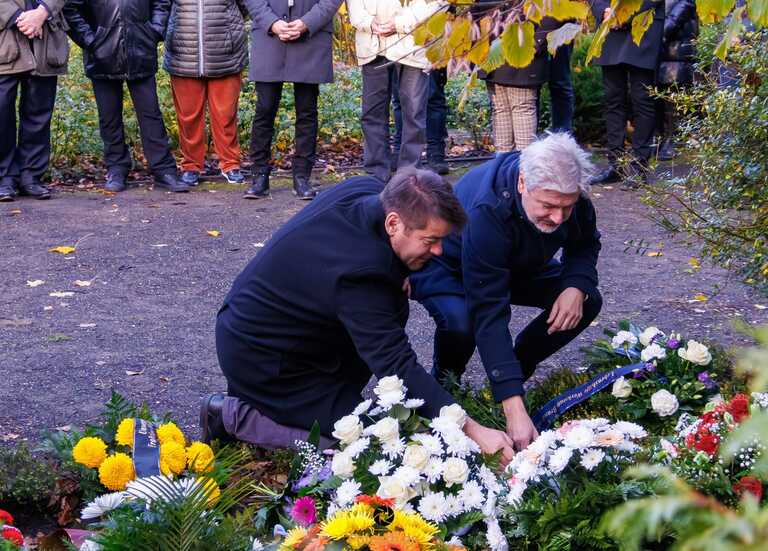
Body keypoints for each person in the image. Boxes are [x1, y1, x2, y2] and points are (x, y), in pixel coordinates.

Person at [203, 168, 515, 463]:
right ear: (393, 224)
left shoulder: (369, 192)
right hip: (264, 359)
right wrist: (472, 430)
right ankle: (232, 416)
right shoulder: (361, 275)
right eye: (430, 241)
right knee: (370, 444)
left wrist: (400, 269)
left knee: (392, 310)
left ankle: (325, 400)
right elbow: (396, 366)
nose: (438, 252)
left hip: (288, 330)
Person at [409, 133, 602, 451]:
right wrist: (514, 411)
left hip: (517, 264)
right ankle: (445, 389)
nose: (557, 217)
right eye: (549, 206)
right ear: (523, 183)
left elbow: (584, 243)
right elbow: (489, 310)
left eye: (565, 208)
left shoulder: (571, 194)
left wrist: (575, 283)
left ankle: (519, 364)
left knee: (587, 299)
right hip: (452, 266)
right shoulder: (488, 210)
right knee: (463, 325)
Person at [64, 0, 189, 193]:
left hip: (140, 48)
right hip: (102, 53)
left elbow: (162, 2)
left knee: (151, 114)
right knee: (109, 117)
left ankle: (164, 171)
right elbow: (70, 8)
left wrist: (154, 30)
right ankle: (117, 169)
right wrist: (90, 40)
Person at [242, 0, 342, 200]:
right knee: (265, 109)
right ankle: (259, 176)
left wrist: (307, 22)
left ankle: (302, 177)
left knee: (307, 111)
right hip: (269, 36)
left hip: (311, 37)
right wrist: (272, 23)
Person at [347, 0, 442, 182]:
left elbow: (433, 3)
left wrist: (397, 24)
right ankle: (376, 172)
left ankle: (409, 174)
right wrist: (369, 23)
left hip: (412, 44)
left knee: (414, 112)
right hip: (372, 45)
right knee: (372, 112)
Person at [163, 0, 249, 186]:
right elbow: (162, 6)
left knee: (226, 115)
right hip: (183, 52)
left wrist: (228, 29)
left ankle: (230, 164)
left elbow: (245, 6)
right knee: (188, 118)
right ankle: (191, 166)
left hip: (226, 52)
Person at [0, 0, 69, 202]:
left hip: (45, 40)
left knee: (39, 113)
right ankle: (4, 178)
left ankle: (31, 176)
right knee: (1, 113)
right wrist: (19, 19)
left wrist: (42, 12)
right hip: (5, 40)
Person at [589, 0, 664, 185]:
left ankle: (640, 167)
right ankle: (616, 166)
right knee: (612, 99)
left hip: (643, 25)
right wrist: (603, 11)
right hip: (610, 28)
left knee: (642, 99)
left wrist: (623, 15)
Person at [655, 0, 698, 160]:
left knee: (674, 99)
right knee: (658, 97)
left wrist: (659, 32)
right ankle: (659, 140)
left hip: (677, 49)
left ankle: (674, 140)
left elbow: (681, 10)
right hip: (662, 49)